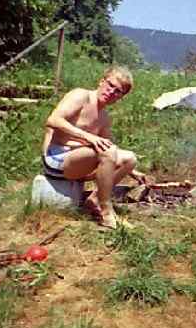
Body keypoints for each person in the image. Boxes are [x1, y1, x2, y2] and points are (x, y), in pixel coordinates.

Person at [42, 65, 145, 229]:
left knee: (129, 158)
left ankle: (94, 199)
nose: (111, 92)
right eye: (110, 85)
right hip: (57, 159)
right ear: (101, 81)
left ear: (121, 97)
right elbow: (53, 120)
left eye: (118, 91)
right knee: (108, 152)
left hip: (79, 163)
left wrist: (132, 171)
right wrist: (89, 136)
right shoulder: (80, 96)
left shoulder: (104, 117)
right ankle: (106, 210)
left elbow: (111, 149)